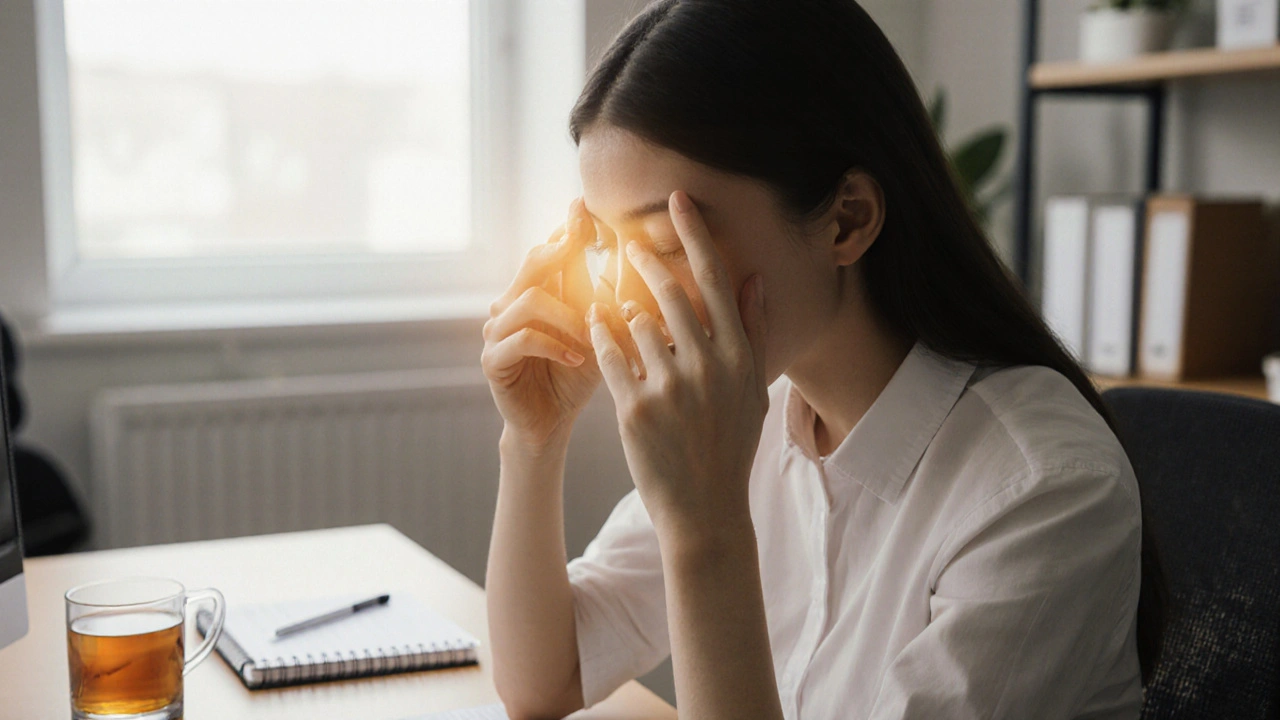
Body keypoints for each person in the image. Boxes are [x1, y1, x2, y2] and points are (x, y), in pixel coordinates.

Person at [480, 1, 1164, 718]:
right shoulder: (762, 418)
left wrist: (706, 531)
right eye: (614, 253)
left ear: (848, 219)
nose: (628, 300)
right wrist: (534, 439)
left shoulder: (1043, 490)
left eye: (665, 247)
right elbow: (543, 682)